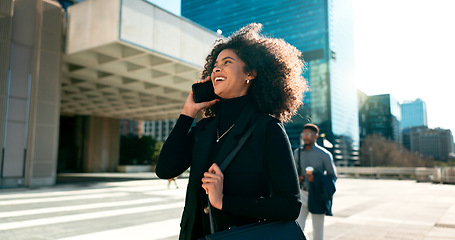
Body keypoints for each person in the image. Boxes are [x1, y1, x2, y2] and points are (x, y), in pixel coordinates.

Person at [156, 23, 307, 240]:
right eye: (215, 65)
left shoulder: (268, 128)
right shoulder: (205, 128)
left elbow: (290, 205)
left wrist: (225, 201)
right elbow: (165, 170)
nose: (217, 69)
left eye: (227, 62)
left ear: (251, 73)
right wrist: (187, 113)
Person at [294, 123, 337, 240]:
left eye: (309, 134)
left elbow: (333, 176)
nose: (306, 137)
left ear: (316, 136)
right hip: (301, 193)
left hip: (317, 194)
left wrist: (317, 179)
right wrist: (297, 178)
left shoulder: (325, 155)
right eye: (304, 134)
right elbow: (294, 172)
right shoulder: (297, 153)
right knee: (297, 227)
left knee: (318, 231)